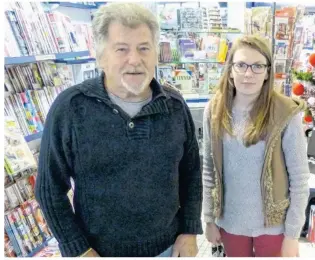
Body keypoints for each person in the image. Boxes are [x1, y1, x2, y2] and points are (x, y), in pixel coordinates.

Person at [34, 3, 202, 257]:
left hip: (167, 249)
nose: (134, 59)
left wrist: (189, 231)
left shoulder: (175, 107)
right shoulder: (71, 109)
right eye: (121, 49)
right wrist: (79, 249)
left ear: (156, 53)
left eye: (144, 48)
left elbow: (191, 175)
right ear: (101, 56)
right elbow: (49, 189)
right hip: (98, 253)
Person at [202, 35, 310, 257]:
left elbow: (299, 180)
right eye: (241, 65)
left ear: (268, 72)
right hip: (230, 222)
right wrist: (209, 219)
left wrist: (292, 235)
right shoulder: (214, 110)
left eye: (257, 66)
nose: (248, 73)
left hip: (273, 226)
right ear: (230, 69)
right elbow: (209, 170)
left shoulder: (285, 114)